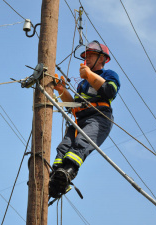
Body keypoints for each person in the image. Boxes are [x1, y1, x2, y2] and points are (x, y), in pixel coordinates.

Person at [49, 40, 121, 198]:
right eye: (86, 56)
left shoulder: (109, 75)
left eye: (91, 55)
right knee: (63, 147)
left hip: (98, 117)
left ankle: (68, 172)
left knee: (81, 143)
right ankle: (55, 179)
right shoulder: (82, 84)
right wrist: (61, 89)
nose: (86, 59)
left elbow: (109, 91)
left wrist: (89, 74)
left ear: (102, 58)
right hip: (80, 119)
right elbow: (72, 106)